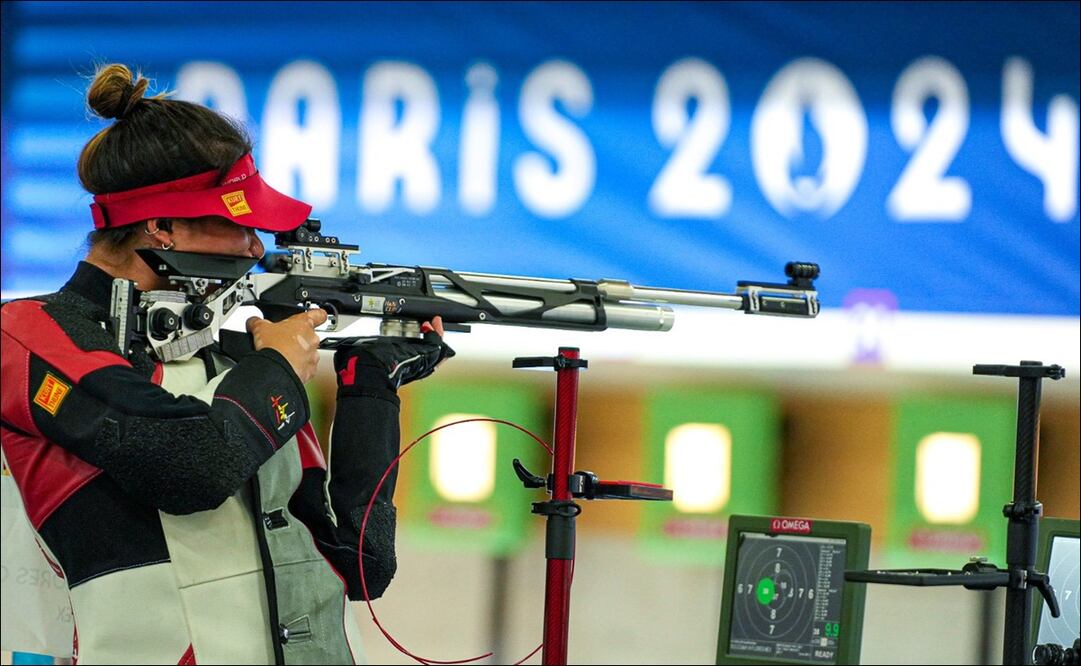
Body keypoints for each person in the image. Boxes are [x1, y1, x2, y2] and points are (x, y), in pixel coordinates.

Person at [0, 64, 453, 665]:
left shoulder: (244, 363)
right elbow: (193, 467)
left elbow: (360, 564)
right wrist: (280, 367)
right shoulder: (28, 334)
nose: (258, 248)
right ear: (161, 226)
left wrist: (372, 387)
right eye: (240, 225)